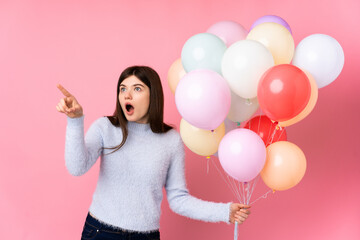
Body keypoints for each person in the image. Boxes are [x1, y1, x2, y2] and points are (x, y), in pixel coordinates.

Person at [56, 66, 250, 240]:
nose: (127, 95)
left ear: (153, 96)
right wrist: (75, 120)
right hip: (101, 233)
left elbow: (178, 200)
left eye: (137, 89)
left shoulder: (171, 140)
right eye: (123, 89)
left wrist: (224, 212)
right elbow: (77, 168)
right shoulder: (105, 127)